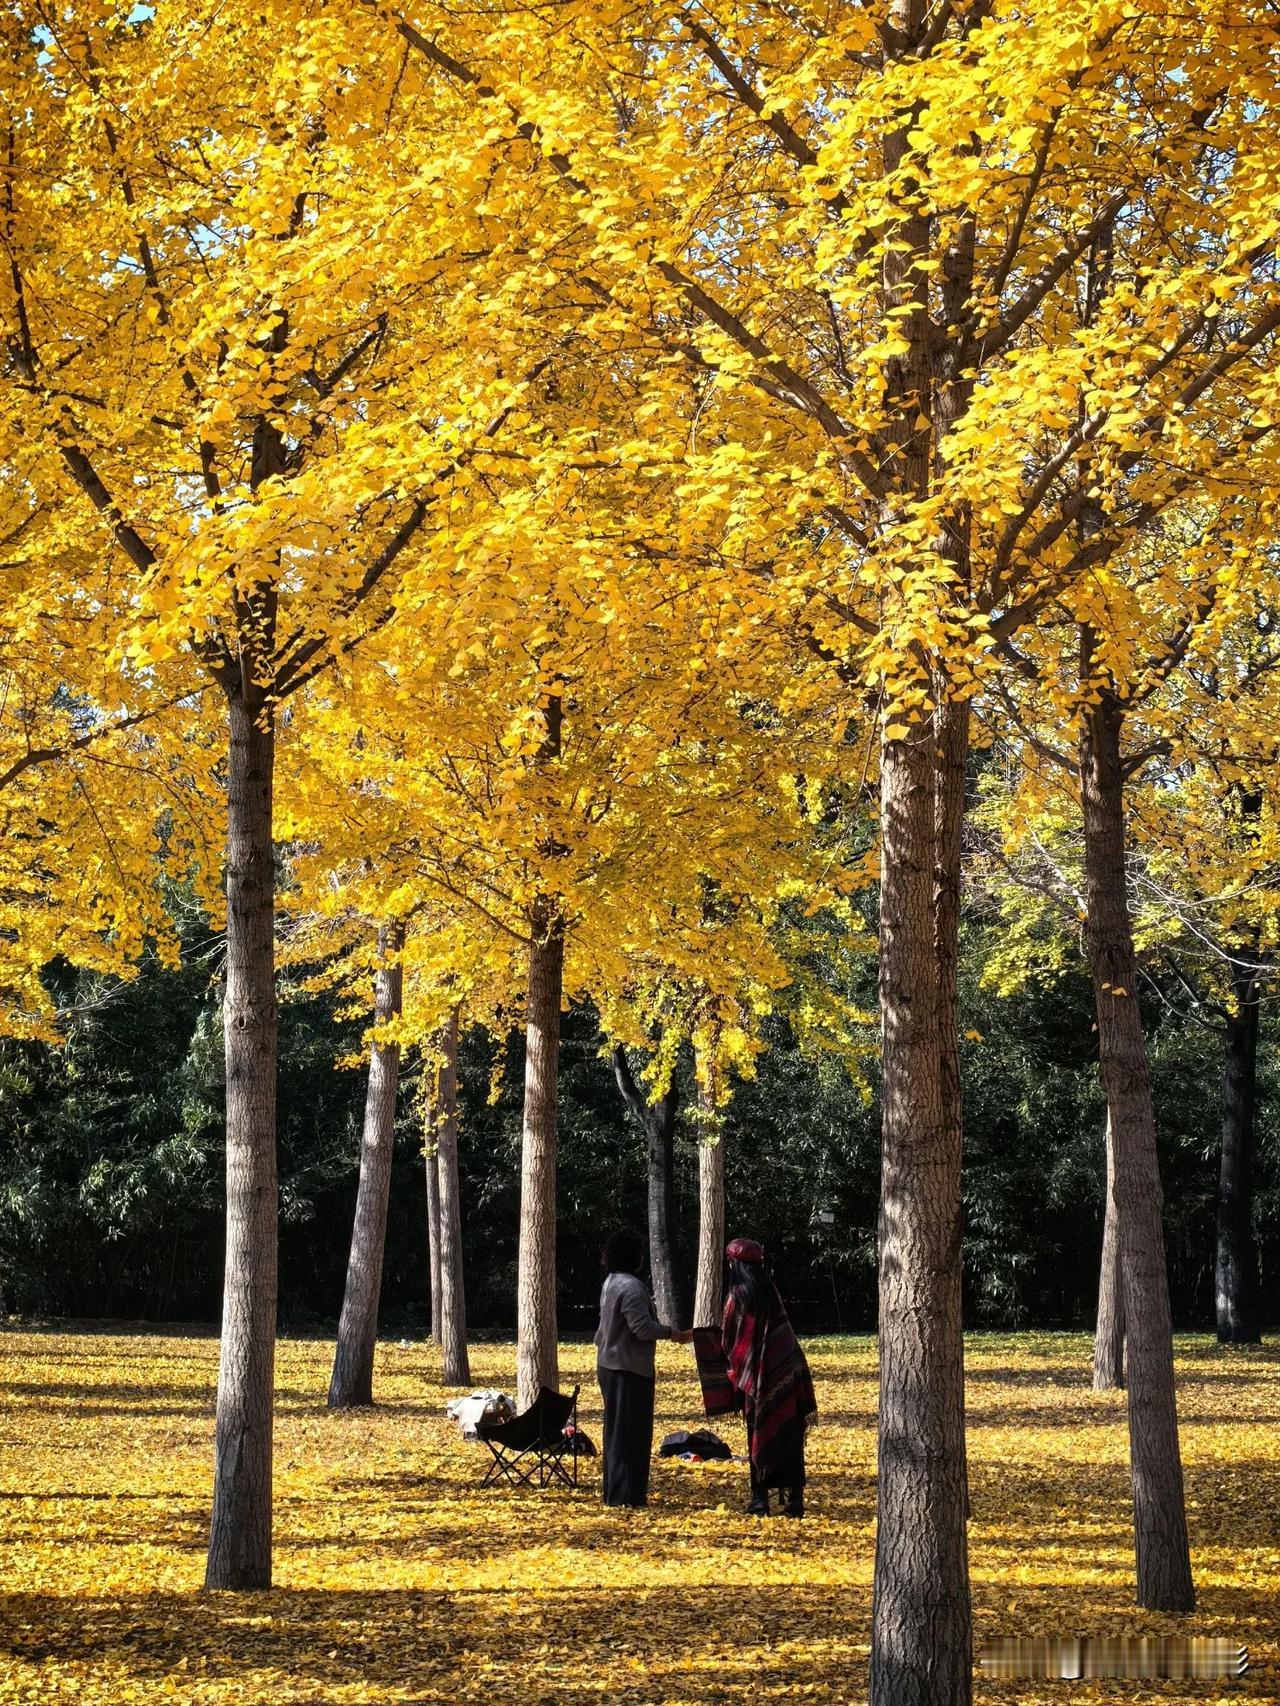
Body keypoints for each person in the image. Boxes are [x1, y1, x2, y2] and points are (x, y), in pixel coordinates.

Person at [691, 1236, 816, 1517]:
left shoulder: (736, 1297)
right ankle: (795, 1501)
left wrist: (707, 1342)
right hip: (787, 1370)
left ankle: (760, 1499)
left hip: (758, 1377)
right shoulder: (771, 1290)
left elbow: (730, 1340)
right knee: (790, 1435)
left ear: (735, 1264)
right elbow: (781, 1331)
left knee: (757, 1432)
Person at [595, 1227, 692, 1507]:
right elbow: (641, 1328)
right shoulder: (632, 1287)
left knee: (616, 1431)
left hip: (610, 1363)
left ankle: (617, 1492)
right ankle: (628, 1495)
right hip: (628, 1369)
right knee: (631, 1433)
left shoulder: (611, 1282)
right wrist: (672, 1334)